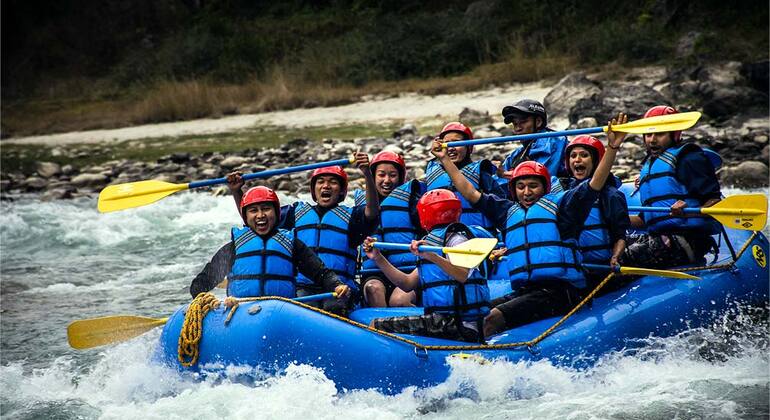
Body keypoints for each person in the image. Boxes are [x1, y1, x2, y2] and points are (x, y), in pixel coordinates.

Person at [431, 113, 628, 337]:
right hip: (527, 289)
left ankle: (480, 360)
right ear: (513, 190)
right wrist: (445, 159)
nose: (527, 192)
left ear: (545, 189)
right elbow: (470, 193)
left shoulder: (565, 208)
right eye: (521, 186)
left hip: (561, 291)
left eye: (533, 186)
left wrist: (611, 148)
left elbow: (594, 184)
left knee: (490, 318)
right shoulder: (507, 212)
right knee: (473, 312)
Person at [227, 152, 378, 314]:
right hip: (303, 288)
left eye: (333, 182)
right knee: (305, 307)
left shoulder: (353, 217)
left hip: (339, 288)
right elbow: (256, 220)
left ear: (342, 191)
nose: (326, 186)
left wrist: (367, 174)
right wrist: (237, 192)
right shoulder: (295, 213)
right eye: (321, 182)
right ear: (313, 190)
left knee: (334, 307)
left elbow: (372, 212)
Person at [362, 189, 494, 342]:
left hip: (458, 324)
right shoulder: (433, 243)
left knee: (375, 325)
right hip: (443, 321)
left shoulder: (458, 240)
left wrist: (433, 257)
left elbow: (462, 275)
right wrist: (378, 258)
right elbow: (406, 284)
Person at [189, 186, 350, 303]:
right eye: (254, 211)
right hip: (241, 311)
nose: (260, 215)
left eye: (266, 209)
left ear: (276, 213)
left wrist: (336, 285)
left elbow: (320, 272)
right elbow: (205, 279)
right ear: (246, 216)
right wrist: (202, 299)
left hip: (280, 310)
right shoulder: (234, 247)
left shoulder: (292, 245)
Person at [623, 105, 722, 268]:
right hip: (659, 237)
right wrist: (613, 218)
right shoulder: (649, 166)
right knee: (611, 249)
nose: (652, 140)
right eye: (648, 134)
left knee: (622, 259)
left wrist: (689, 211)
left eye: (659, 134)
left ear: (674, 134)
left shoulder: (689, 159)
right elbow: (643, 220)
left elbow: (715, 203)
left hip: (689, 240)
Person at [353, 151, 425, 307]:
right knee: (373, 289)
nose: (387, 180)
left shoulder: (412, 200)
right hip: (374, 273)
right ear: (373, 177)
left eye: (392, 175)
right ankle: (379, 329)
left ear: (400, 177)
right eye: (381, 175)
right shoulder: (362, 206)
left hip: (407, 271)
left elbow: (427, 232)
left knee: (399, 300)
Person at [560, 134, 631, 280]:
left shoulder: (611, 195)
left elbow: (620, 235)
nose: (577, 160)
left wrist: (616, 256)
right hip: (575, 265)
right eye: (573, 156)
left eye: (584, 155)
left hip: (600, 265)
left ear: (597, 161)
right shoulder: (564, 192)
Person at [425, 122, 508, 234]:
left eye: (456, 143)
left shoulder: (481, 174)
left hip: (478, 240)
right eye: (446, 144)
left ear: (468, 147)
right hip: (444, 240)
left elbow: (500, 209)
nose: (450, 148)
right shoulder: (432, 175)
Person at [494, 99, 570, 186]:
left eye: (523, 122)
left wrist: (504, 174)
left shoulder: (552, 140)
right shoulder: (517, 154)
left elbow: (541, 177)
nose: (517, 129)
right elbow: (498, 181)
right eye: (515, 124)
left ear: (538, 122)